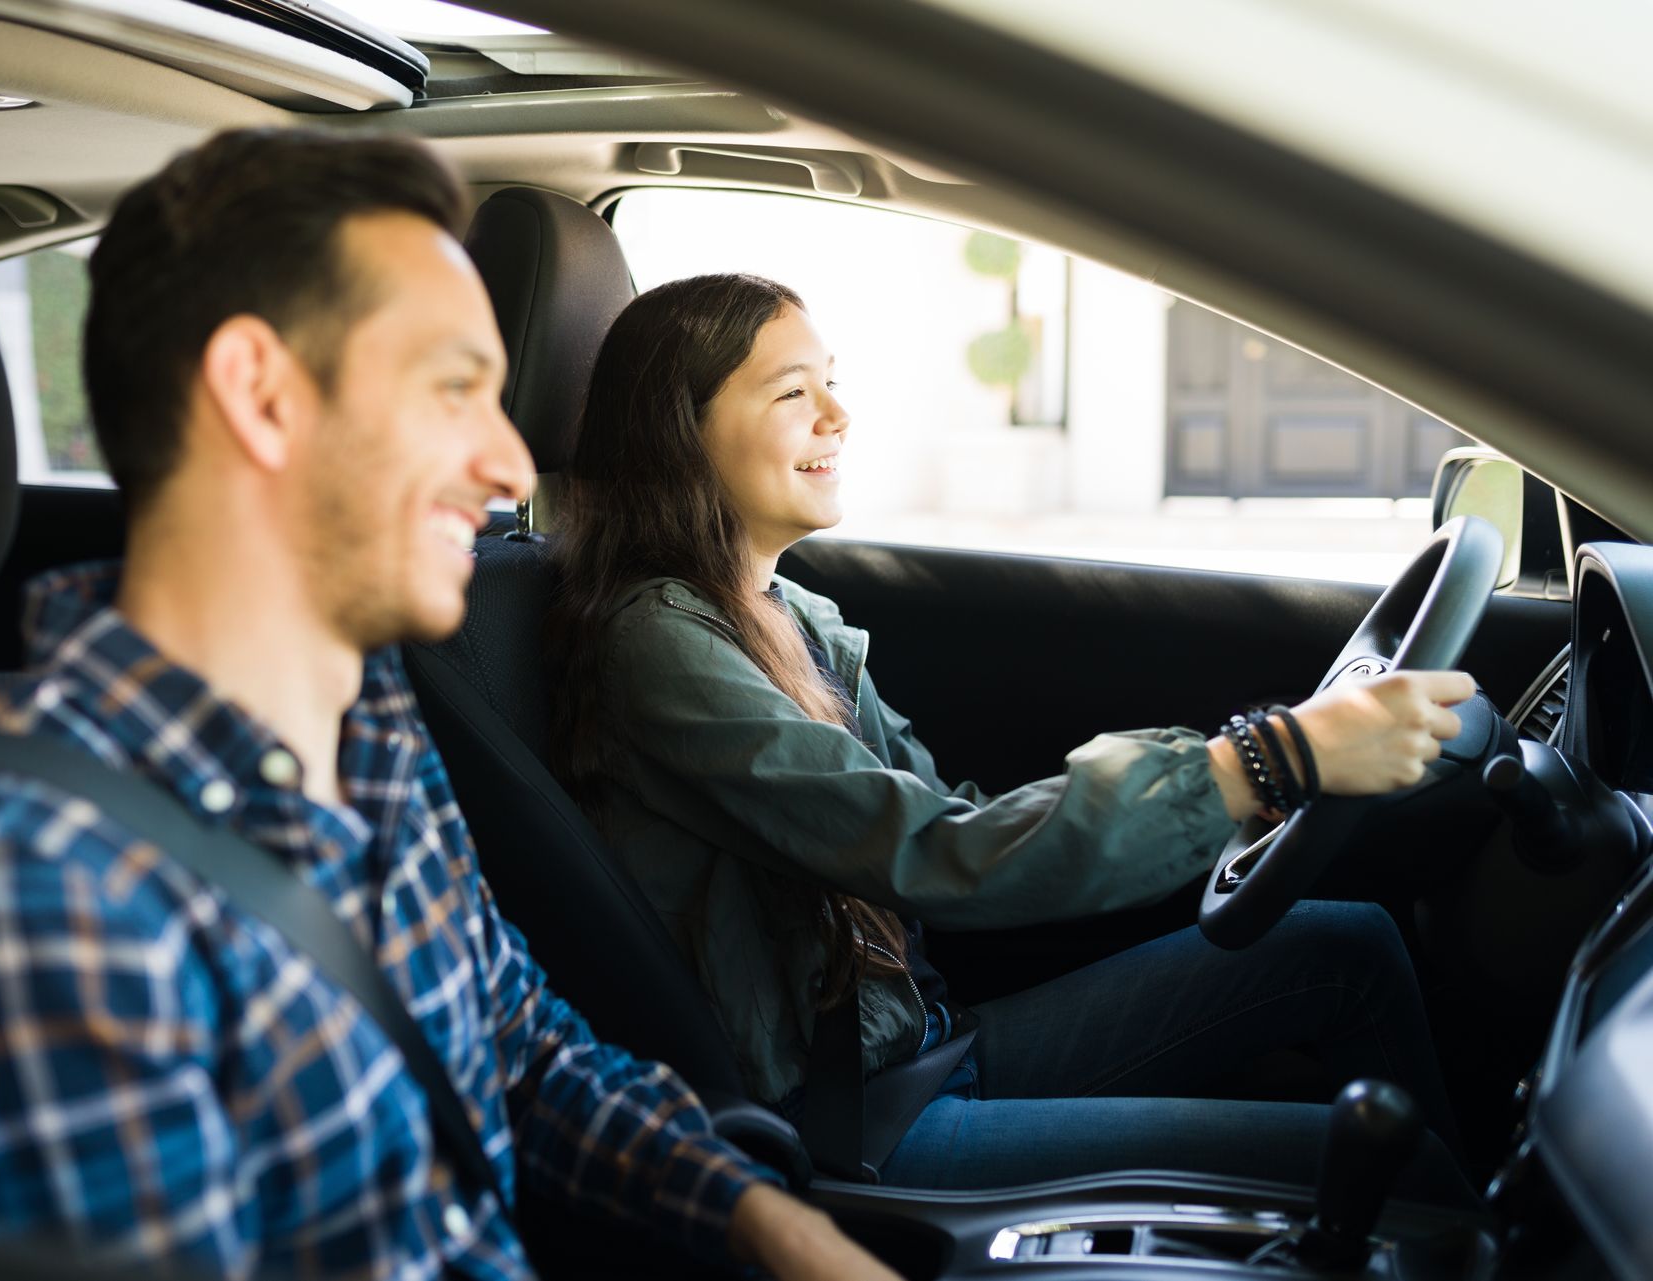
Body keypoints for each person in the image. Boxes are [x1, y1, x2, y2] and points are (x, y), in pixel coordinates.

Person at [0, 136, 899, 1281]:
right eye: (454, 388)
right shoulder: (32, 903)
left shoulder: (367, 731)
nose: (509, 461)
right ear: (262, 397)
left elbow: (518, 1054)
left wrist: (766, 1223)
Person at [546, 272, 1478, 1195]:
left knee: (1345, 947)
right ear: (682, 432)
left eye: (832, 379)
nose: (838, 412)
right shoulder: (657, 642)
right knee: (1406, 1172)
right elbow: (937, 852)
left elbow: (950, 814)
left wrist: (1231, 766)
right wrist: (1267, 761)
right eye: (793, 392)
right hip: (849, 1117)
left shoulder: (788, 613)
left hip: (924, 1043)